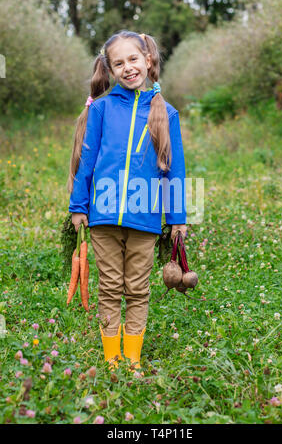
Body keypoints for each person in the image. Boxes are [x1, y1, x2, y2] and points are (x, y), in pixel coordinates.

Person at [67, 30, 187, 373]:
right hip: (103, 216)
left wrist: (177, 217)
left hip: (145, 218)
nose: (128, 67)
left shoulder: (168, 113)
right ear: (110, 68)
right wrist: (78, 207)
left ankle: (132, 358)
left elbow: (174, 170)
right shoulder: (102, 109)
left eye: (133, 59)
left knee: (136, 288)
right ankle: (111, 358)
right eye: (118, 63)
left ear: (148, 61)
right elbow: (86, 160)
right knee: (109, 287)